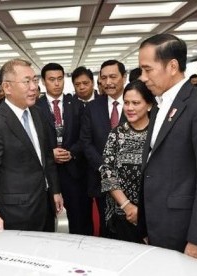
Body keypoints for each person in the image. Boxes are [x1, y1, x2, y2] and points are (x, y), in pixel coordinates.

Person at [138, 34, 197, 260]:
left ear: (172, 66)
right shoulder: (159, 104)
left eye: (148, 69)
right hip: (158, 222)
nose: (143, 77)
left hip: (183, 227)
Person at [0, 58, 63, 231]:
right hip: (16, 212)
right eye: (26, 82)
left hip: (44, 204)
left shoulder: (38, 113)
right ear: (7, 87)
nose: (34, 87)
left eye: (34, 80)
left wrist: (55, 190)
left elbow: (47, 157)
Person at [36, 63, 91, 235]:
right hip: (46, 174)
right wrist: (49, 153)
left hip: (73, 171)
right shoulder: (34, 108)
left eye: (60, 79)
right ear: (44, 82)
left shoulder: (77, 104)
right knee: (47, 221)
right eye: (52, 80)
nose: (57, 83)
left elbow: (85, 136)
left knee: (80, 219)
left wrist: (71, 152)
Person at [100, 80, 155, 243]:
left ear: (149, 105)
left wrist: (143, 211)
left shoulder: (158, 133)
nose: (129, 108)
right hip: (123, 212)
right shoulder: (117, 133)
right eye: (126, 102)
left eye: (136, 103)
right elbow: (107, 171)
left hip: (154, 212)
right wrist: (127, 205)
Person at [80, 59, 127, 236]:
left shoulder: (137, 103)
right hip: (101, 179)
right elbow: (86, 142)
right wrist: (103, 167)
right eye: (104, 78)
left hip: (132, 180)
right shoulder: (92, 107)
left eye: (113, 77)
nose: (108, 82)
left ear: (124, 77)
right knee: (107, 227)